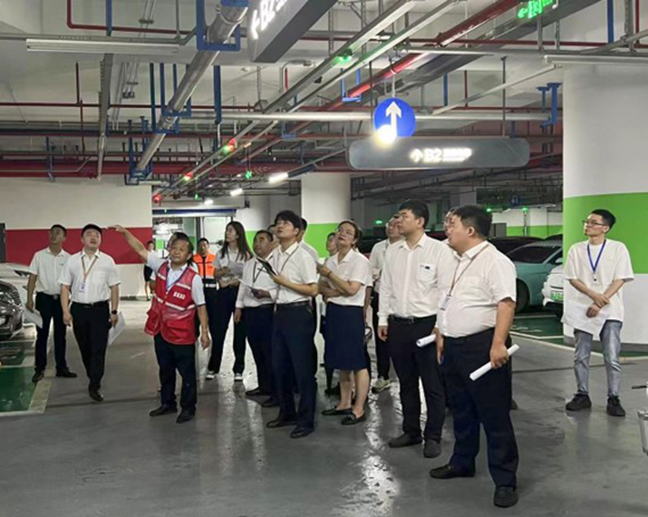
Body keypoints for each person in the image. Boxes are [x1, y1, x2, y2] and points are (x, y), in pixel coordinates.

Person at [430, 205, 519, 509]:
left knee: (494, 414)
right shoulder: (455, 260)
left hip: (482, 345)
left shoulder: (495, 261)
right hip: (453, 346)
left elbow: (506, 304)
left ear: (470, 230)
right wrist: (441, 332)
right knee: (461, 409)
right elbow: (448, 299)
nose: (446, 229)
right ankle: (462, 461)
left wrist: (498, 343)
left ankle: (505, 480)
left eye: (451, 224)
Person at [113, 226, 210, 423]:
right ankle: (167, 403)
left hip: (182, 333)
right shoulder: (161, 266)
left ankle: (188, 408)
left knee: (187, 373)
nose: (176, 251)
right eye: (174, 248)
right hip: (161, 329)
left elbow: (201, 306)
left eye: (181, 249)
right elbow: (141, 249)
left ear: (188, 255)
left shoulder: (194, 278)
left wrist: (205, 332)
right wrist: (125, 233)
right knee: (165, 369)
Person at [378, 200, 449, 459]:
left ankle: (433, 436)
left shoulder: (438, 251)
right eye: (398, 216)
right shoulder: (393, 251)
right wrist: (382, 319)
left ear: (420, 221)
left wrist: (440, 326)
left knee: (432, 384)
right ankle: (411, 431)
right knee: (406, 382)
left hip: (426, 326)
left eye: (404, 216)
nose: (398, 221)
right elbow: (385, 287)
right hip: (398, 325)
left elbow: (445, 292)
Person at [564, 209, 634, 417]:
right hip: (583, 308)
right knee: (581, 355)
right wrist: (593, 295)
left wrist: (600, 302)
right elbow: (573, 278)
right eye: (586, 221)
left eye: (593, 222)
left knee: (611, 356)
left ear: (606, 228)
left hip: (610, 309)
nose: (588, 225)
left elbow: (620, 279)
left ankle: (614, 398)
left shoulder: (618, 248)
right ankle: (582, 394)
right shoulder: (577, 249)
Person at [266, 210, 319, 439]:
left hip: (298, 314)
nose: (280, 226)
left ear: (296, 231)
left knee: (302, 369)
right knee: (279, 366)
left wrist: (285, 283)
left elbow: (313, 289)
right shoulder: (275, 254)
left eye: (285, 223)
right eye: (278, 223)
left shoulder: (303, 256)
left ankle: (306, 420)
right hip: (280, 312)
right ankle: (287, 412)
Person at [59, 224, 120, 402]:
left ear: (100, 239)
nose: (93, 237)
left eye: (97, 235)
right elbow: (64, 287)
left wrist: (114, 311)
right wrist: (65, 311)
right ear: (82, 239)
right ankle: (92, 375)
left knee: (99, 349)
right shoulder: (72, 261)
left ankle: (94, 384)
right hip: (78, 310)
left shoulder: (107, 261)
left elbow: (114, 287)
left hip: (100, 310)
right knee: (85, 348)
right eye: (89, 234)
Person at [319, 221, 371, 425]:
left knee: (357, 362)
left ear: (355, 240)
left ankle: (358, 408)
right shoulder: (331, 260)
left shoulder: (359, 261)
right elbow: (321, 287)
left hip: (351, 314)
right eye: (340, 230)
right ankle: (344, 403)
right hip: (334, 312)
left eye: (348, 233)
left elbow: (352, 290)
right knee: (341, 362)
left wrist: (331, 277)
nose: (342, 234)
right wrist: (336, 290)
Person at [26, 224, 76, 383]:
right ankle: (39, 369)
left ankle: (61, 368)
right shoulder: (39, 256)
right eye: (52, 232)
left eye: (58, 233)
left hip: (61, 300)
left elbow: (72, 281)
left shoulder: (68, 258)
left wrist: (72, 301)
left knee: (61, 335)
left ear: (64, 238)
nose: (54, 235)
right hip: (44, 299)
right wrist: (29, 299)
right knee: (42, 335)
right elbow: (32, 278)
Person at [234, 230, 278, 407]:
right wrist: (238, 306)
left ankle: (275, 391)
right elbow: (243, 286)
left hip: (267, 310)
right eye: (255, 240)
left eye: (262, 240)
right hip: (250, 312)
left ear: (271, 243)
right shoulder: (249, 263)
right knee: (257, 351)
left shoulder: (276, 262)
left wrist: (267, 294)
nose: (257, 244)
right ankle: (264, 386)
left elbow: (283, 288)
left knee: (269, 352)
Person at [207, 221, 253, 382]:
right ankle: (213, 367)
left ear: (238, 234)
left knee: (240, 331)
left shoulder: (247, 255)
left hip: (240, 293)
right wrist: (222, 272)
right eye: (227, 230)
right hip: (223, 293)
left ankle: (238, 368)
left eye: (231, 231)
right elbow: (215, 274)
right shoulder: (221, 253)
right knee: (218, 330)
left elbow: (249, 277)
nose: (227, 233)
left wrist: (235, 281)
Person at [369, 216, 402, 394]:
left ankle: (403, 374)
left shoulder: (406, 248)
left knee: (398, 340)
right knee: (381, 339)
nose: (391, 227)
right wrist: (381, 272)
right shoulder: (378, 247)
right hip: (380, 297)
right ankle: (383, 375)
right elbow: (370, 271)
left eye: (395, 225)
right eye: (389, 224)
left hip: (400, 301)